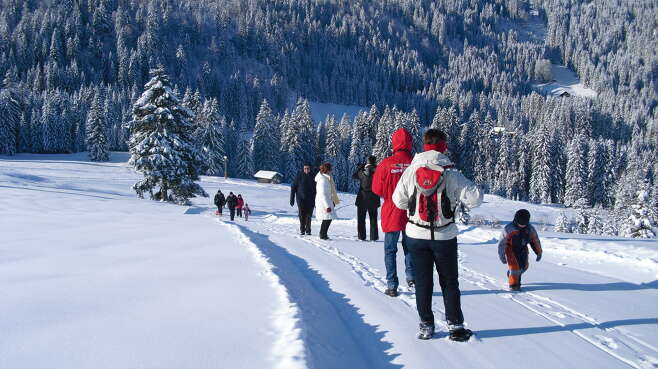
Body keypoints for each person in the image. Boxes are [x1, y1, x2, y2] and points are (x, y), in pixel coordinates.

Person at [392, 128, 483, 342]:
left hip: (415, 234)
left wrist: (413, 207)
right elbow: (475, 199)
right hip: (445, 236)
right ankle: (456, 327)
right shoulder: (451, 173)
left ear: (424, 146)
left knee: (423, 282)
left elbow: (398, 201)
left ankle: (426, 325)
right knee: (450, 282)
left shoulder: (411, 171)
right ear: (443, 147)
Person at [372, 128, 415, 298]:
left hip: (391, 212)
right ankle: (412, 277)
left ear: (394, 143)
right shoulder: (415, 163)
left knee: (390, 250)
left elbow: (376, 188)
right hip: (412, 213)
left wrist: (389, 194)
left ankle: (392, 284)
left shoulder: (386, 164)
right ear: (409, 143)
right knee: (410, 247)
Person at [498, 209, 543, 291]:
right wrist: (502, 256)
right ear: (516, 220)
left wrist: (539, 252)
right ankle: (514, 285)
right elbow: (502, 243)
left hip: (523, 248)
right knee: (515, 268)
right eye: (520, 223)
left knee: (524, 266)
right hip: (510, 249)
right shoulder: (509, 228)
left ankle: (511, 274)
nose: (522, 225)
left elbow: (535, 241)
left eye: (524, 224)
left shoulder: (530, 229)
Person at [353, 156, 381, 241]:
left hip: (362, 198)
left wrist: (360, 167)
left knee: (361, 219)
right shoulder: (378, 172)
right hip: (374, 198)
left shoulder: (362, 172)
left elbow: (354, 176)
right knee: (373, 219)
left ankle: (361, 236)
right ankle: (374, 237)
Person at [315, 163, 340, 240]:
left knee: (327, 218)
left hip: (326, 201)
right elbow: (322, 194)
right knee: (327, 218)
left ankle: (323, 234)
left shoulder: (325, 178)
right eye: (330, 169)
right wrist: (327, 206)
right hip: (324, 202)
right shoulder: (323, 180)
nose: (331, 171)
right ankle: (323, 235)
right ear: (327, 170)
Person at [290, 163, 317, 235]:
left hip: (311, 199)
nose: (306, 170)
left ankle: (308, 230)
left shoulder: (314, 176)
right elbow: (293, 187)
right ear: (303, 169)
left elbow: (317, 189)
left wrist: (317, 200)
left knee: (309, 215)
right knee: (302, 214)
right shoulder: (299, 175)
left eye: (307, 168)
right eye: (305, 168)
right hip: (300, 198)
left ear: (310, 169)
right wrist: (291, 199)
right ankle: (302, 229)